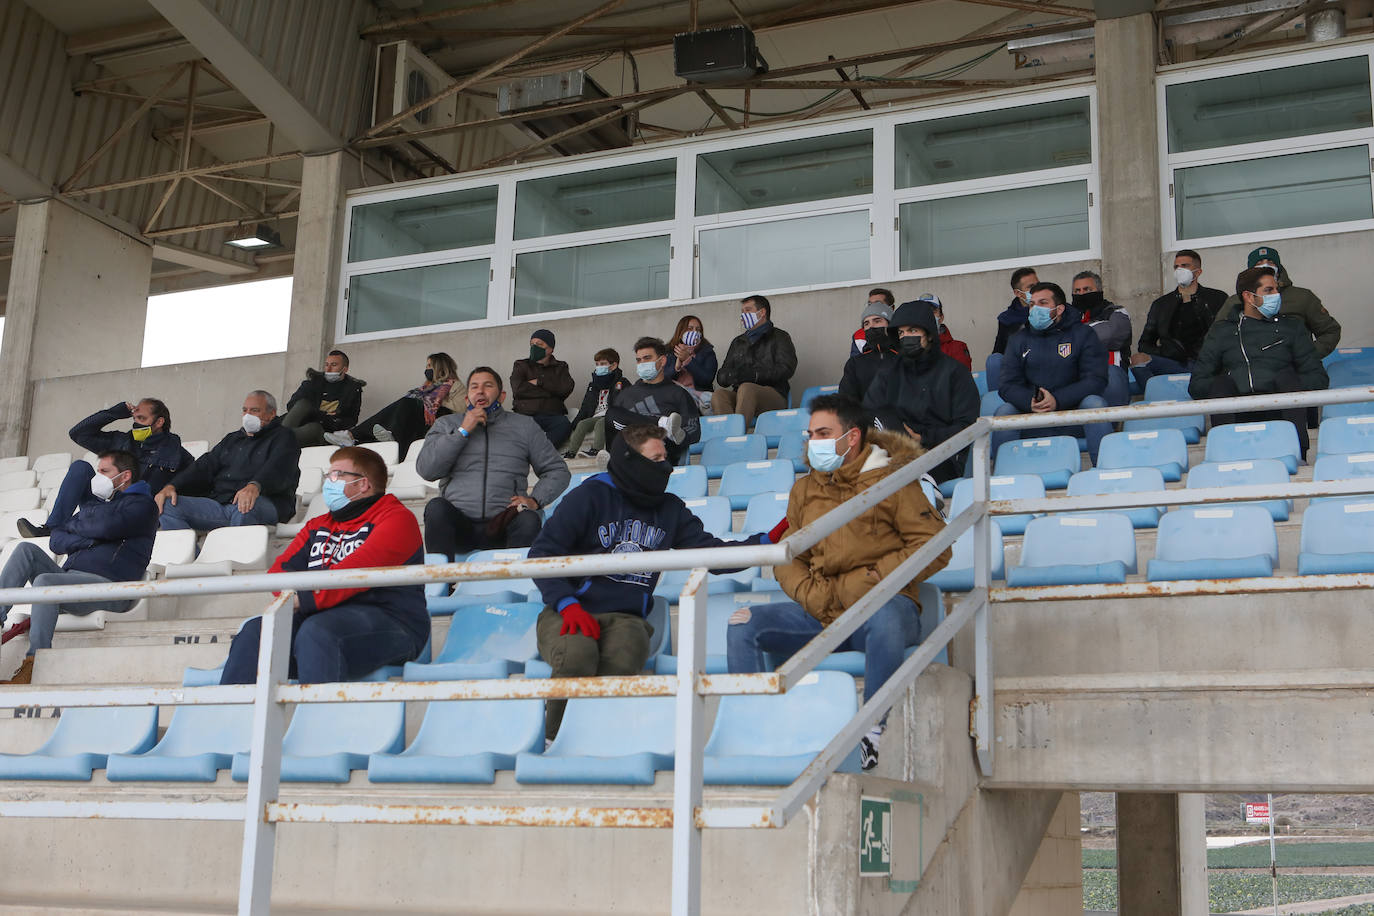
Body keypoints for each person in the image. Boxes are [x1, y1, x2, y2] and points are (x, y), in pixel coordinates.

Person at [726, 395, 949, 771]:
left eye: (824, 433)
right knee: (743, 623)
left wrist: (875, 578)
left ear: (852, 437)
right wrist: (810, 593)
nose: (814, 441)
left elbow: (935, 544)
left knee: (885, 618)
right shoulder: (805, 489)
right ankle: (756, 728)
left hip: (882, 606)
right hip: (824, 611)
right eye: (811, 433)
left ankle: (871, 731)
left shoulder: (893, 480)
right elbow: (787, 554)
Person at [529, 424, 785, 740]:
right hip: (570, 610)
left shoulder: (669, 508)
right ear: (630, 460)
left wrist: (765, 542)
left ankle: (595, 741)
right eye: (655, 458)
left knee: (622, 659)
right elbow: (542, 553)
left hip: (627, 618)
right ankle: (554, 740)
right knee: (577, 654)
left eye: (665, 457)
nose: (664, 466)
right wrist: (567, 604)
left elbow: (710, 554)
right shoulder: (589, 496)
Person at [218, 447, 429, 685]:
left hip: (392, 625)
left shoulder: (397, 519)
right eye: (329, 475)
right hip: (320, 617)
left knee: (317, 633)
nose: (329, 482)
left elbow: (355, 573)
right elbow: (279, 572)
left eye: (337, 475)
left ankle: (318, 720)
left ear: (363, 484)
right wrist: (301, 598)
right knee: (256, 632)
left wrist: (303, 598)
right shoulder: (317, 525)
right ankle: (229, 718)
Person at [0, 450, 157, 684]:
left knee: (45, 583)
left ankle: (35, 664)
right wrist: (90, 537)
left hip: (111, 588)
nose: (98, 478)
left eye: (104, 472)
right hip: (71, 581)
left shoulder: (144, 506)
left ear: (124, 476)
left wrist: (81, 528)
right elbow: (57, 540)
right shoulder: (98, 506)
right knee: (25, 550)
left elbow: (106, 528)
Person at [415, 367, 571, 561]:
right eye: (474, 387)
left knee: (529, 518)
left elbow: (557, 470)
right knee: (436, 508)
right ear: (466, 398)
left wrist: (535, 500)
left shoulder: (524, 426)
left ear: (502, 396)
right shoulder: (446, 425)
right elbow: (426, 469)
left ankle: (516, 585)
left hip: (504, 523)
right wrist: (463, 431)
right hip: (460, 525)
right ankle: (441, 586)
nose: (480, 391)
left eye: (488, 386)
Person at [1189, 266, 1329, 459]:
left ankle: (1298, 455)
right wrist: (1236, 385)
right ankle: (1225, 455)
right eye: (1269, 290)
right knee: (1221, 383)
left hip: (1283, 411)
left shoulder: (1292, 327)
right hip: (1236, 414)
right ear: (1248, 296)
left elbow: (1318, 377)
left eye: (1277, 289)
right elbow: (1197, 384)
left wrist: (1282, 385)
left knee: (1287, 378)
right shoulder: (1222, 332)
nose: (1277, 295)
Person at [17, 397, 192, 540]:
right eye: (135, 419)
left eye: (142, 419)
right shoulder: (122, 441)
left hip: (134, 514)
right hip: (105, 506)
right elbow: (78, 433)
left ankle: (75, 530)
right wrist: (116, 413)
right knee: (80, 467)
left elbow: (196, 479)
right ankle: (52, 528)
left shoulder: (175, 453)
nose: (137, 424)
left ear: (159, 421)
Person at [993, 281, 1112, 463]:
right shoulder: (1018, 340)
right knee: (1004, 411)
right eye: (1032, 304)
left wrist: (1057, 400)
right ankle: (1001, 479)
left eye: (1043, 303)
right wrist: (1029, 401)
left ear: (1060, 309)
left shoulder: (1083, 334)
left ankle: (1105, 470)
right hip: (1032, 415)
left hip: (1072, 414)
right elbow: (1007, 385)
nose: (1035, 309)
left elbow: (1096, 379)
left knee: (1094, 403)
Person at [863, 300, 980, 483]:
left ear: (929, 334)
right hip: (894, 455)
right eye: (901, 332)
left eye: (913, 331)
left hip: (942, 457)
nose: (905, 337)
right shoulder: (889, 372)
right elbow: (869, 412)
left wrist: (922, 438)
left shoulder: (955, 372)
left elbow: (967, 427)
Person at [156, 390, 300, 531]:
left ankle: (235, 555)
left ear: (271, 414)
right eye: (245, 410)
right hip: (221, 502)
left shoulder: (284, 437)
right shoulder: (232, 439)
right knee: (167, 505)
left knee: (246, 505)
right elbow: (205, 465)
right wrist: (172, 486)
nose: (247, 415)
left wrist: (255, 486)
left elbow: (279, 468)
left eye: (255, 410)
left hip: (266, 502)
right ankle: (199, 556)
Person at [324, 353, 458, 462]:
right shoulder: (424, 389)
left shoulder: (454, 385)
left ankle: (352, 435)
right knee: (404, 405)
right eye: (426, 365)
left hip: (434, 422)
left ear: (440, 367)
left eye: (430, 365)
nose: (427, 369)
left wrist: (434, 402)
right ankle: (356, 441)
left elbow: (459, 409)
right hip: (418, 421)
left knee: (407, 403)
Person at [1214, 247, 1341, 359]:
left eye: (1270, 262)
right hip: (1250, 372)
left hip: (1296, 373)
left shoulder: (1302, 297)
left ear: (1278, 268)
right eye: (1259, 263)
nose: (1265, 265)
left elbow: (1330, 331)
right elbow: (1217, 337)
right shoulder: (1235, 301)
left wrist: (1307, 355)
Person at [1131, 249, 1228, 388]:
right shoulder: (1161, 304)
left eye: (1185, 266)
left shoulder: (1217, 298)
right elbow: (1144, 343)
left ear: (1198, 272)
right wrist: (1165, 352)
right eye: (1176, 267)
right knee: (1137, 359)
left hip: (1207, 363)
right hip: (1172, 362)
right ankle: (1160, 400)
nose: (1179, 270)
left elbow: (1225, 335)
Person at [606, 337, 701, 465]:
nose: (642, 363)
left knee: (664, 437)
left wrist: (678, 435)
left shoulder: (678, 393)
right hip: (631, 451)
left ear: (662, 361)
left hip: (661, 453)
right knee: (612, 413)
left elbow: (694, 430)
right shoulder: (626, 395)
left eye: (647, 358)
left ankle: (616, 463)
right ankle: (662, 423)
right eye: (639, 360)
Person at [714, 294, 798, 425]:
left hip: (774, 394)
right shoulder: (738, 342)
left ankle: (737, 438)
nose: (743, 315)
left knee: (747, 388)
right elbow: (724, 371)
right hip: (741, 395)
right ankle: (728, 436)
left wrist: (756, 375)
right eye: (742, 312)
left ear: (762, 312)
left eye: (747, 310)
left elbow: (787, 368)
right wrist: (726, 376)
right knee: (719, 395)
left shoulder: (780, 336)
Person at [1070, 271, 1132, 406]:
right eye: (1077, 291)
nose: (1081, 294)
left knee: (1110, 373)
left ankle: (1114, 424)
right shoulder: (1066, 317)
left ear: (1099, 291)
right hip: (1076, 376)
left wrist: (1072, 337)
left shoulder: (1117, 312)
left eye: (1087, 289)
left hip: (1110, 373)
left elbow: (1111, 335)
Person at [281, 350, 366, 447]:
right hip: (300, 423)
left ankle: (278, 438)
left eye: (334, 365)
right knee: (303, 404)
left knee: (314, 428)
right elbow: (292, 405)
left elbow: (351, 420)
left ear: (345, 369)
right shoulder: (312, 383)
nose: (328, 369)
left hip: (324, 431)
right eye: (326, 365)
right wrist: (322, 414)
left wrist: (326, 420)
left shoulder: (353, 390)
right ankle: (279, 437)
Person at [511, 329, 576, 449]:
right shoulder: (521, 365)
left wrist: (539, 382)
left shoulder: (561, 367)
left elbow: (565, 388)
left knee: (564, 425)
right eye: (532, 344)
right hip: (526, 414)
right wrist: (551, 391)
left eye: (539, 344)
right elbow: (518, 389)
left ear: (550, 349)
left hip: (552, 415)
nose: (534, 347)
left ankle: (541, 452)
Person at [563, 348, 629, 459]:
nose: (599, 367)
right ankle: (571, 452)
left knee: (600, 424)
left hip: (611, 416)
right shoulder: (593, 386)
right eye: (597, 364)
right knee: (582, 424)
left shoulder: (622, 383)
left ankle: (596, 450)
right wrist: (572, 425)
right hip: (596, 416)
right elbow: (585, 407)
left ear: (613, 366)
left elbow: (627, 403)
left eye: (603, 364)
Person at [838, 300, 899, 402]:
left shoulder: (904, 358)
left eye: (877, 321)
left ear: (890, 324)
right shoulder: (855, 364)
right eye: (867, 323)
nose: (871, 326)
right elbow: (847, 401)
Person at [666, 315, 718, 414]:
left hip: (698, 397)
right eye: (690, 329)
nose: (694, 332)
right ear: (681, 333)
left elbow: (706, 379)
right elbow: (662, 377)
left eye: (698, 330)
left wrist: (688, 360)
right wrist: (676, 367)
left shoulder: (707, 352)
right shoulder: (668, 351)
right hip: (673, 397)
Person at [915, 293, 972, 370]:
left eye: (933, 311)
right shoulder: (907, 348)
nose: (928, 315)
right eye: (923, 311)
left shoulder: (957, 348)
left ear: (941, 317)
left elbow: (962, 378)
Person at [991, 266, 1039, 357]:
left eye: (1038, 284)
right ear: (1018, 293)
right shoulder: (1006, 319)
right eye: (1031, 287)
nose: (1037, 289)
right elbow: (999, 352)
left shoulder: (1052, 309)